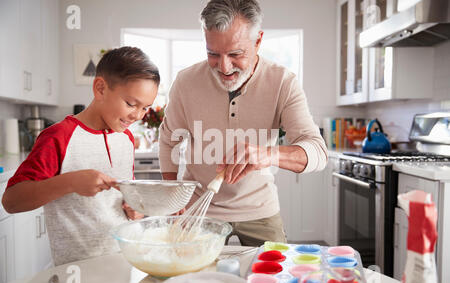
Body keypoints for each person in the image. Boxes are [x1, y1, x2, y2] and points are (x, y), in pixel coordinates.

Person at [159, 0, 328, 246]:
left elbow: (318, 152)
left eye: (235, 54)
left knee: (272, 280)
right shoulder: (186, 82)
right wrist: (173, 196)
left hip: (259, 209)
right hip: (200, 207)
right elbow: (168, 140)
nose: (224, 67)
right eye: (213, 54)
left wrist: (268, 155)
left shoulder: (282, 82)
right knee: (194, 280)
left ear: (258, 41)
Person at [1, 46, 159, 265]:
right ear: (101, 88)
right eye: (131, 104)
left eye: (145, 108)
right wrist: (71, 182)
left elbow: (122, 199)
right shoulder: (59, 137)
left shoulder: (126, 139)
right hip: (77, 272)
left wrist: (135, 208)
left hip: (124, 262)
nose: (137, 115)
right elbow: (12, 201)